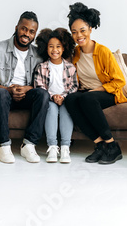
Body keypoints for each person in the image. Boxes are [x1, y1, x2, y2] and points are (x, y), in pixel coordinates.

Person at [0, 11, 49, 164]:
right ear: (16, 27)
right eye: (24, 28)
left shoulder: (37, 55)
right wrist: (7, 89)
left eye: (31, 31)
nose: (26, 34)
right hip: (1, 96)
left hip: (24, 95)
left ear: (34, 35)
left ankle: (29, 144)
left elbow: (44, 80)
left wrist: (26, 89)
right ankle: (3, 145)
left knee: (43, 94)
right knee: (2, 94)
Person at [64, 2, 127, 164]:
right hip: (87, 94)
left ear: (90, 30)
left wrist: (95, 91)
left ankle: (113, 146)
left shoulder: (102, 51)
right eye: (74, 32)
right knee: (70, 100)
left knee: (87, 98)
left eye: (82, 30)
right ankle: (100, 145)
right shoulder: (75, 53)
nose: (78, 35)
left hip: (108, 92)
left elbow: (119, 81)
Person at [34, 28, 78, 163]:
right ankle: (52, 147)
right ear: (46, 48)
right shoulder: (41, 67)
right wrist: (53, 96)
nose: (55, 50)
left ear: (64, 48)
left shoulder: (70, 67)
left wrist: (63, 97)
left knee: (66, 111)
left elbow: (74, 86)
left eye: (58, 46)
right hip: (50, 99)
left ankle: (65, 147)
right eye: (51, 46)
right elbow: (39, 86)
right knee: (51, 110)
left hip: (65, 99)